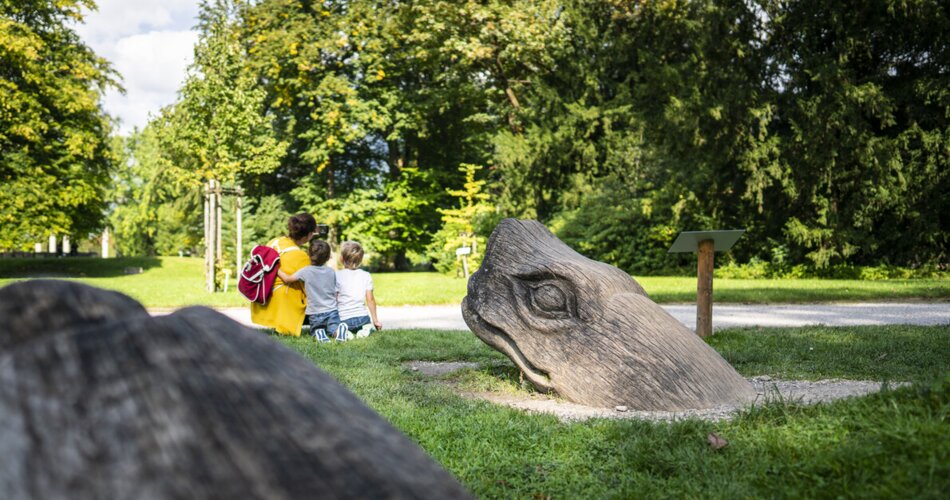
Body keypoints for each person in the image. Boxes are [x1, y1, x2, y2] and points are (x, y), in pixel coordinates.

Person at [250, 213, 316, 336]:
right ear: (308, 235)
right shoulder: (301, 257)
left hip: (263, 297)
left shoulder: (275, 242)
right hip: (283, 305)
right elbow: (309, 286)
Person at [276, 240, 344, 343]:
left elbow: (287, 279)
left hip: (315, 312)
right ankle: (338, 332)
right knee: (333, 328)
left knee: (316, 329)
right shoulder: (331, 271)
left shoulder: (306, 271)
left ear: (309, 255)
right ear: (328, 257)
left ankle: (319, 333)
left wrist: (276, 269)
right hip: (332, 310)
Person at [335, 241, 382, 339]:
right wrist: (375, 321)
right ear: (360, 259)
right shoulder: (366, 275)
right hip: (363, 319)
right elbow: (370, 300)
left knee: (336, 328)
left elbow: (334, 299)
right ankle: (365, 329)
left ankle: (346, 333)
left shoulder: (336, 275)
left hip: (344, 319)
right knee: (367, 326)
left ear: (341, 258)